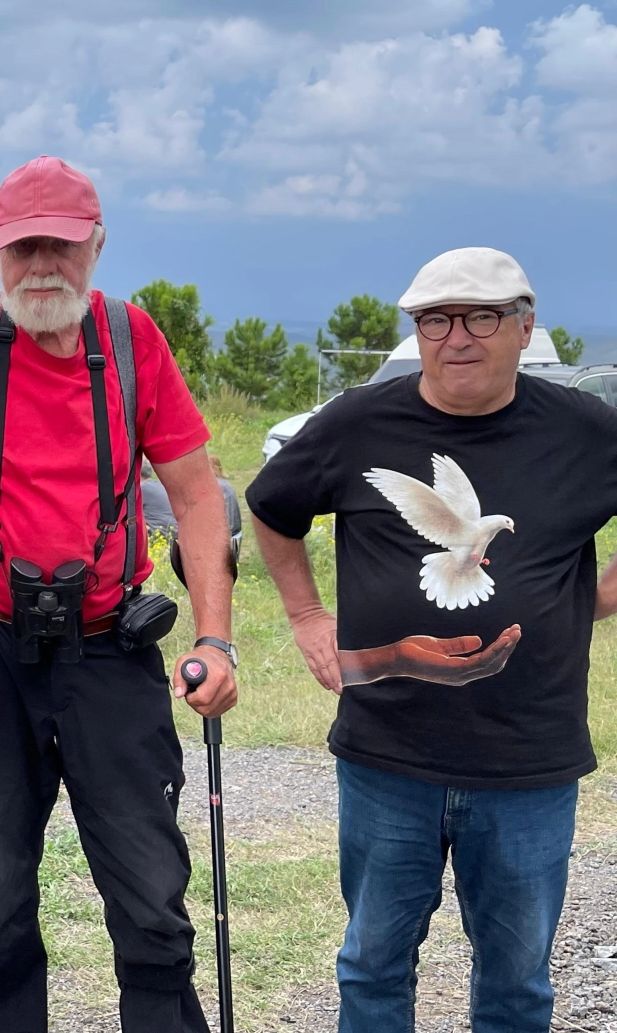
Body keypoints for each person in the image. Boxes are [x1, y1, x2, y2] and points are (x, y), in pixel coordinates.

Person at [0, 155, 238, 1033]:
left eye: (62, 246)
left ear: (98, 245)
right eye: (23, 246)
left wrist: (217, 641)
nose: (42, 265)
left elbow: (196, 492)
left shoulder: (129, 338)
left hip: (113, 648)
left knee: (153, 892)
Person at [246, 247, 617, 1033]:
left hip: (531, 764)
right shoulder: (358, 420)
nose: (458, 337)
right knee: (373, 968)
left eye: (481, 316)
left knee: (518, 986)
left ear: (524, 328)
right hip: (388, 758)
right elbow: (271, 508)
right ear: (417, 331)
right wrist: (310, 618)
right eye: (434, 320)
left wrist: (595, 593)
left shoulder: (587, 430)